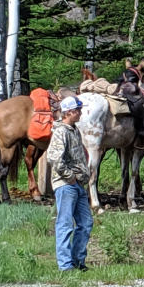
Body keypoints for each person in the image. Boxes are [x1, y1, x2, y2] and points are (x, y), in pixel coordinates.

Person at [46, 95, 94, 271]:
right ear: (70, 112)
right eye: (78, 110)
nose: (81, 113)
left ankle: (78, 261)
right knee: (65, 224)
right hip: (66, 185)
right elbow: (54, 158)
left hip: (78, 185)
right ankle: (65, 266)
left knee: (86, 222)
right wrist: (70, 177)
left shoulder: (73, 130)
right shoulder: (61, 132)